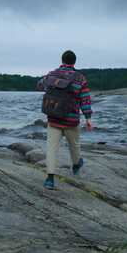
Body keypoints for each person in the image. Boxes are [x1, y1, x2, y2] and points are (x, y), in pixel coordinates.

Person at [36, 50, 93, 189]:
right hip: (71, 119)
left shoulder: (51, 74)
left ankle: (49, 179)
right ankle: (75, 166)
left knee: (51, 148)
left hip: (53, 117)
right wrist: (88, 118)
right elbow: (84, 99)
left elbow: (39, 85)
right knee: (74, 145)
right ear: (74, 62)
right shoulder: (80, 78)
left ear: (62, 60)